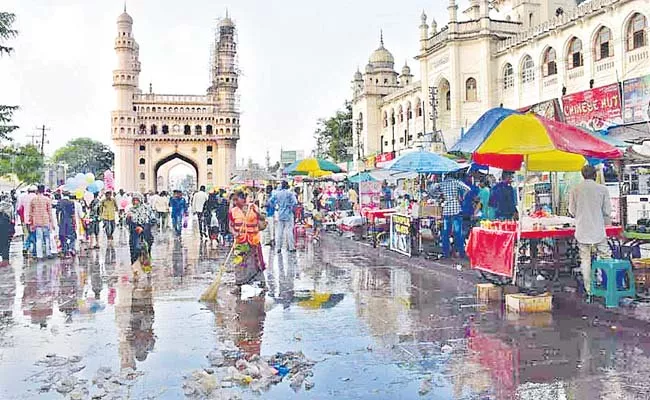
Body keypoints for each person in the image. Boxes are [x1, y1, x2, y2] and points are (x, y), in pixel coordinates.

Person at [569, 165, 612, 297]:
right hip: (598, 229)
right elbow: (607, 211)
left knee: (585, 260)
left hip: (582, 230)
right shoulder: (602, 189)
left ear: (583, 175)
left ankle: (589, 290)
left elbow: (572, 211)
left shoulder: (575, 190)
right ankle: (609, 286)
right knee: (605, 257)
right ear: (595, 175)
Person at [229, 190, 265, 286]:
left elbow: (262, 219)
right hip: (240, 241)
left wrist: (257, 213)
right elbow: (230, 225)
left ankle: (261, 282)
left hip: (253, 240)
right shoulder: (233, 211)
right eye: (234, 200)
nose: (235, 202)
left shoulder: (253, 208)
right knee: (239, 262)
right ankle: (239, 284)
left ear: (243, 199)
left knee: (256, 263)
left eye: (237, 199)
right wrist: (234, 233)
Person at [431, 174, 470, 258]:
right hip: (456, 209)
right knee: (458, 232)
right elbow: (467, 188)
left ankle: (446, 253)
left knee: (446, 233)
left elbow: (432, 190)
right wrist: (462, 197)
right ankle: (460, 252)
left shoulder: (442, 184)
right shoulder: (456, 182)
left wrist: (440, 196)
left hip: (446, 210)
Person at [126, 193, 156, 265]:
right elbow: (127, 223)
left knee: (145, 250)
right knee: (134, 251)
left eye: (137, 200)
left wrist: (143, 228)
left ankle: (146, 266)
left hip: (145, 234)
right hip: (134, 234)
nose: (135, 202)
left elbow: (153, 220)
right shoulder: (131, 210)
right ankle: (135, 268)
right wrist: (128, 218)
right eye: (134, 200)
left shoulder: (147, 209)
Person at [271, 181, 297, 253]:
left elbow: (271, 201)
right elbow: (295, 203)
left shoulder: (277, 194)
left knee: (279, 231)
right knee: (289, 231)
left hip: (280, 214)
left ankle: (278, 248)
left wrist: (276, 207)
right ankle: (291, 247)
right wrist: (290, 207)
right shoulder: (290, 193)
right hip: (288, 214)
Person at [29, 185, 53, 261]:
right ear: (44, 191)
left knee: (39, 239)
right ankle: (48, 253)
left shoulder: (33, 200)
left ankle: (39, 255)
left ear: (37, 191)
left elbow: (31, 213)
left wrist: (31, 222)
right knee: (47, 238)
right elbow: (49, 212)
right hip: (45, 221)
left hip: (37, 222)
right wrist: (51, 222)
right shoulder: (47, 199)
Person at [18, 185, 37, 257]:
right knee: (35, 235)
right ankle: (34, 251)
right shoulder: (36, 197)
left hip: (26, 219)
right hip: (35, 220)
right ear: (35, 191)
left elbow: (19, 209)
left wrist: (22, 218)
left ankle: (26, 247)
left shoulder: (24, 198)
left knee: (29, 234)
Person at [58, 192, 77, 258]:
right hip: (69, 221)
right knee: (71, 236)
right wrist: (74, 222)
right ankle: (71, 249)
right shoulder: (71, 203)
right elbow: (73, 214)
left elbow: (57, 213)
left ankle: (65, 251)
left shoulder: (59, 202)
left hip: (62, 221)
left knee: (63, 236)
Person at [0, 194, 15, 266]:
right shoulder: (10, 206)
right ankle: (5, 259)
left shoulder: (1, 206)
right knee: (6, 243)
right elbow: (12, 218)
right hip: (7, 225)